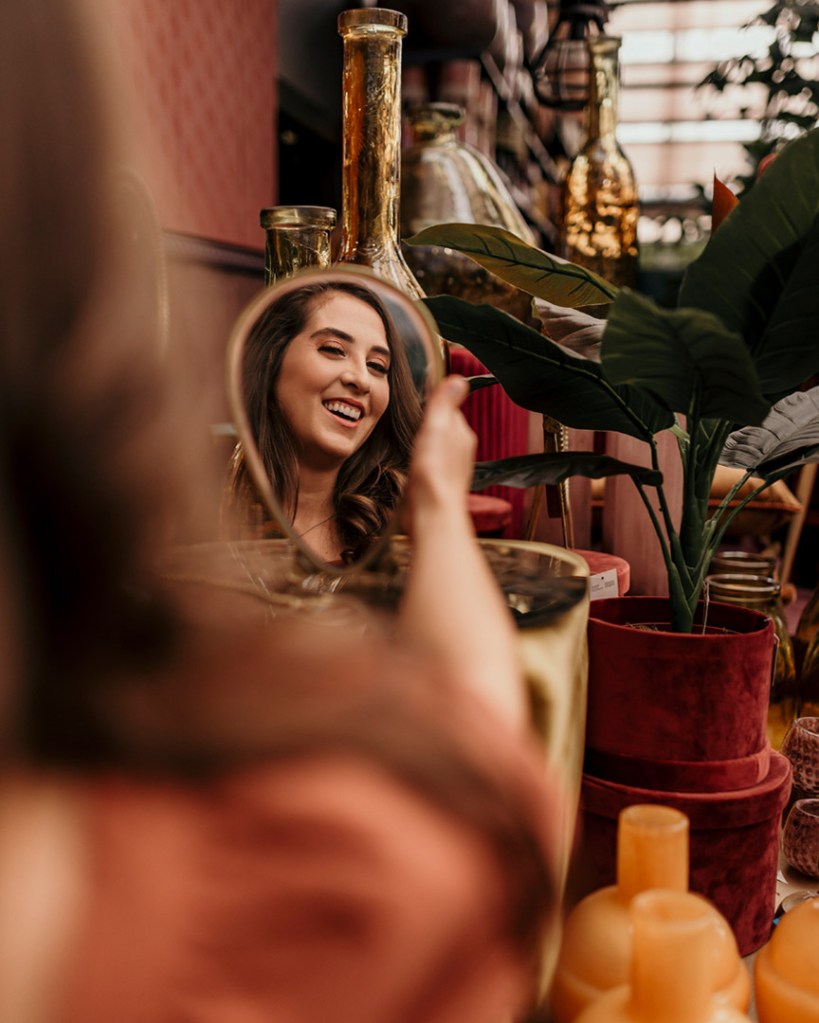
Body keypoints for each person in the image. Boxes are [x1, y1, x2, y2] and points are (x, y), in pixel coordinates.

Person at [0, 2, 565, 1022]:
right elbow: (485, 771)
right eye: (332, 347)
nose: (359, 378)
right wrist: (441, 501)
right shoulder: (321, 875)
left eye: (382, 363)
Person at [228, 277, 423, 564]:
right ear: (272, 360)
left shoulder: (405, 522)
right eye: (333, 349)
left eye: (377, 366)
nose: (361, 379)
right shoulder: (199, 504)